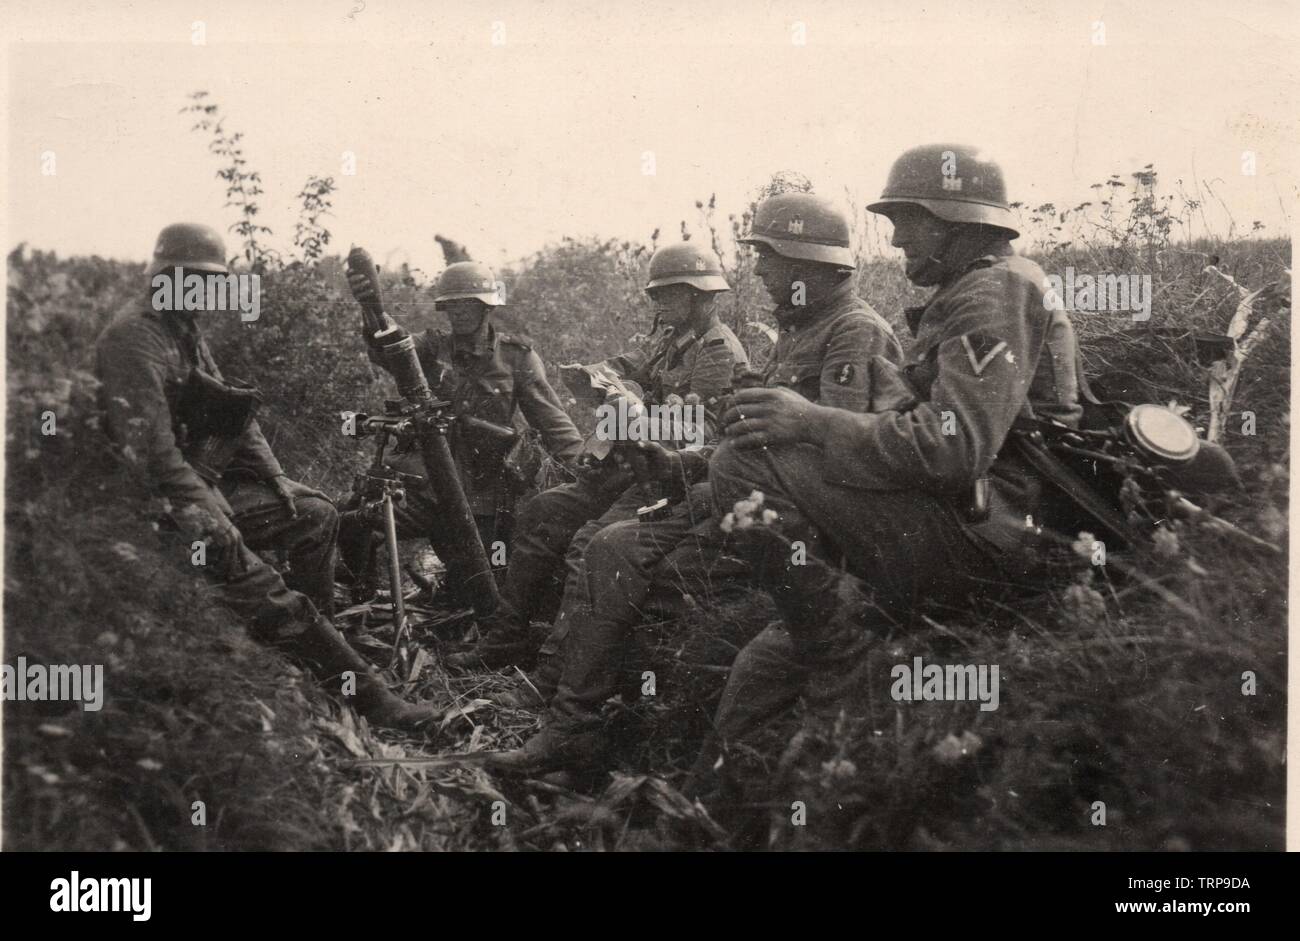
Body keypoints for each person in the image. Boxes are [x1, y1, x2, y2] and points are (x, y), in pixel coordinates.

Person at [693, 144, 1084, 783]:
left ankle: (844, 655)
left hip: (995, 534)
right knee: (761, 670)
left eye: (909, 219)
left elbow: (954, 450)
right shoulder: (979, 288)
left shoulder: (994, 292)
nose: (897, 237)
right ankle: (708, 814)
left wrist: (813, 421)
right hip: (962, 517)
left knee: (741, 464)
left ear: (956, 220)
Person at [490, 192, 907, 773]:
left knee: (611, 547)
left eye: (770, 258)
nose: (759, 271)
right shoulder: (804, 329)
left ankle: (572, 722)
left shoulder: (854, 332)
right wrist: (682, 463)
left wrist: (706, 462)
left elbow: (837, 454)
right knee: (604, 543)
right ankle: (569, 721)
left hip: (787, 513)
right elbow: (746, 434)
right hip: (731, 486)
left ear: (810, 263)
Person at [96, 223, 438, 729]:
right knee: (263, 585)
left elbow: (234, 412)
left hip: (196, 482)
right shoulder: (134, 339)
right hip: (152, 504)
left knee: (316, 512)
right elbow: (153, 454)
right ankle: (369, 696)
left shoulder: (180, 327)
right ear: (169, 278)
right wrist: (211, 511)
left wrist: (277, 479)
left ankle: (315, 644)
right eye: (197, 281)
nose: (207, 294)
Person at [446, 241, 748, 670]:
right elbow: (623, 367)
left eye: (667, 294)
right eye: (655, 295)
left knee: (588, 543)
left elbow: (699, 434)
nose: (658, 302)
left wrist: (635, 416)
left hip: (672, 479)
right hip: (632, 465)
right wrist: (596, 381)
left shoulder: (717, 352)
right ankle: (506, 637)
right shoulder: (669, 339)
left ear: (699, 295)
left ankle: (555, 670)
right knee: (543, 509)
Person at [338, 260, 584, 606]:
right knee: (359, 520)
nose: (459, 313)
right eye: (452, 305)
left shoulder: (516, 358)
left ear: (486, 307)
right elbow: (392, 349)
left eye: (467, 303)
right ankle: (363, 595)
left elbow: (554, 423)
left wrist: (586, 472)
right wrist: (372, 311)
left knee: (485, 582)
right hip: (426, 485)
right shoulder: (430, 347)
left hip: (486, 495)